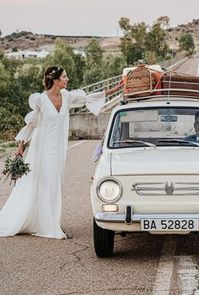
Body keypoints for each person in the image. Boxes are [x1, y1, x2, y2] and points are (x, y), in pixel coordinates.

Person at [0, 66, 123, 239]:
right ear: (55, 80)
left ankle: (48, 221)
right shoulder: (40, 100)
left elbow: (90, 96)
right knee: (45, 182)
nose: (68, 79)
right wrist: (20, 147)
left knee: (54, 182)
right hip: (41, 149)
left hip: (58, 149)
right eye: (65, 77)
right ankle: (49, 225)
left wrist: (118, 88)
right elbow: (31, 124)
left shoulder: (67, 96)